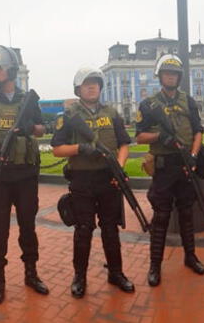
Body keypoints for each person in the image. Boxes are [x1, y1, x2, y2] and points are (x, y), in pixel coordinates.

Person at [52, 67, 134, 297]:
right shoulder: (69, 116)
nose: (91, 87)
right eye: (86, 83)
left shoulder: (112, 112)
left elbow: (124, 143)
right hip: (82, 179)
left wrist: (119, 166)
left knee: (110, 227)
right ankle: (80, 277)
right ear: (78, 89)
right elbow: (57, 149)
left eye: (95, 83)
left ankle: (116, 273)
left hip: (108, 178)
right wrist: (81, 148)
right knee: (84, 229)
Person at [0, 46, 48, 304]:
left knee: (28, 227)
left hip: (26, 174)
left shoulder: (28, 99)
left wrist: (30, 127)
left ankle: (31, 273)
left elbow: (41, 129)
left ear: (11, 71)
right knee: (0, 230)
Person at [135, 54, 204, 287]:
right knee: (162, 217)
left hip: (186, 165)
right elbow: (139, 137)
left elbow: (198, 131)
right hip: (164, 168)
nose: (171, 77)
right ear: (160, 76)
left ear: (179, 77)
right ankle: (155, 265)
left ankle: (190, 256)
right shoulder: (148, 105)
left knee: (187, 214)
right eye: (167, 73)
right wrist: (159, 137)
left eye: (174, 74)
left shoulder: (189, 101)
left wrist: (194, 156)